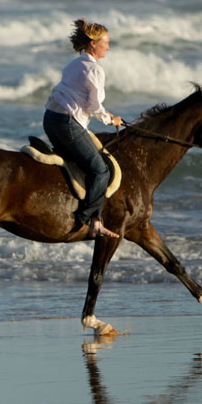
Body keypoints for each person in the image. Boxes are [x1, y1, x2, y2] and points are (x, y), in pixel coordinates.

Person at [42, 19, 125, 240]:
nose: (108, 46)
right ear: (92, 43)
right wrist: (112, 120)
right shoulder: (95, 69)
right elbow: (95, 107)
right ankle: (90, 220)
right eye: (105, 42)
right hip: (68, 124)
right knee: (100, 170)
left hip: (50, 119)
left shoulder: (73, 64)